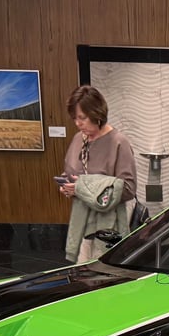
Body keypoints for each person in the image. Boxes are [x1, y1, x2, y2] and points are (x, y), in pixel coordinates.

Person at [59, 85, 137, 263]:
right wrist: (66, 186)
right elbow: (70, 172)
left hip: (109, 222)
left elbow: (128, 189)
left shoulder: (118, 142)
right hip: (82, 219)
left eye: (82, 118)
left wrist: (82, 187)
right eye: (74, 118)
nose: (78, 123)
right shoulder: (78, 139)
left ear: (97, 113)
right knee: (82, 270)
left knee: (102, 270)